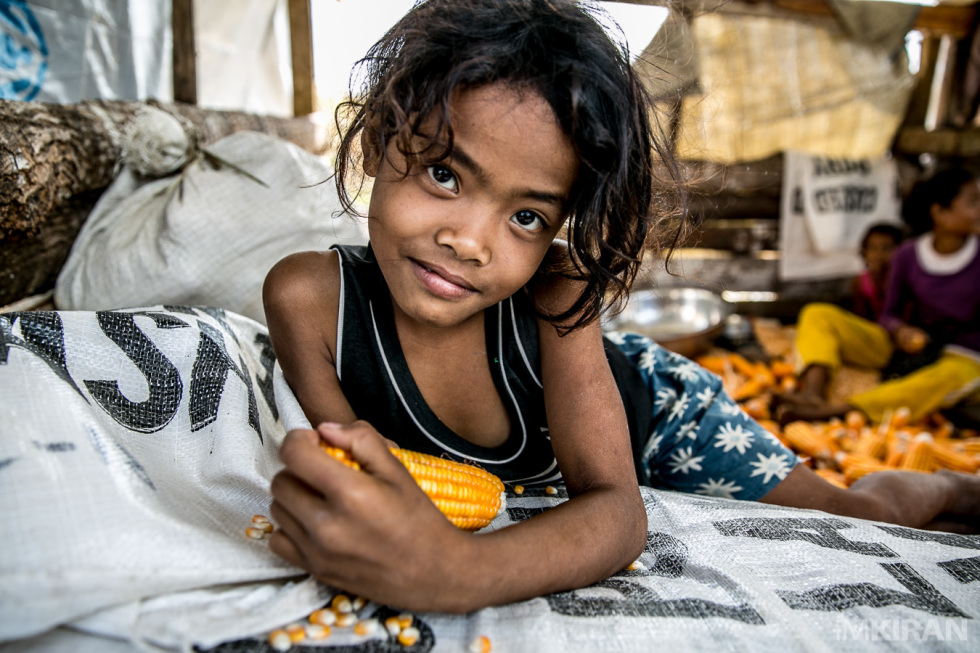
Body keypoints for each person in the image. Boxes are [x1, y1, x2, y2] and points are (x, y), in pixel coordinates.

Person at [263, 0, 980, 614]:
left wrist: (457, 571)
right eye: (445, 174)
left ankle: (950, 483)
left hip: (662, 422)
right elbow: (352, 470)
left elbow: (615, 508)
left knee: (861, 518)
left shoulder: (556, 291)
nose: (470, 242)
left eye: (526, 217)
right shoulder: (309, 302)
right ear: (380, 143)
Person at [778, 167, 980, 427]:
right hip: (908, 351)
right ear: (940, 213)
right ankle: (813, 394)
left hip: (963, 356)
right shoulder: (909, 254)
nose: (979, 209)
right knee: (818, 314)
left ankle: (840, 411)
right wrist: (900, 330)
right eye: (973, 203)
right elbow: (888, 314)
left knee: (945, 379)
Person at [847, 222, 905, 322]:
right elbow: (861, 317)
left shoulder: (905, 280)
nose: (879, 254)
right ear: (865, 252)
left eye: (887, 248)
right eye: (873, 248)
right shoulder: (860, 282)